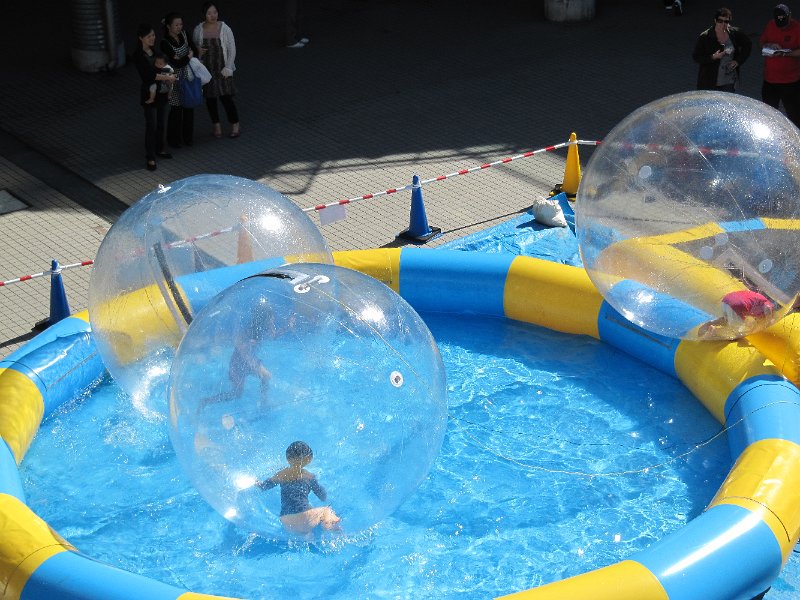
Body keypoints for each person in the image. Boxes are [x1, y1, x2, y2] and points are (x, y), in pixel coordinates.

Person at [256, 441, 342, 535]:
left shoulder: (281, 474)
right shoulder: (309, 476)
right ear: (308, 459)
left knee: (308, 526)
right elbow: (323, 496)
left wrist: (256, 483)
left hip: (285, 521)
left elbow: (264, 486)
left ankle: (306, 534)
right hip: (303, 518)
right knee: (326, 510)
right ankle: (335, 530)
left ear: (288, 459)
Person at [192, 2, 241, 138]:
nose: (212, 15)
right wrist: (198, 51)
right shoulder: (198, 29)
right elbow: (195, 46)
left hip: (222, 68)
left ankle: (235, 124)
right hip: (207, 70)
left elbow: (232, 49)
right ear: (204, 15)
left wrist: (228, 67)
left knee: (226, 98)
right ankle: (216, 126)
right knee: (210, 99)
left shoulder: (225, 29)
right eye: (209, 13)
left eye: (214, 12)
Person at [133, 24, 176, 171]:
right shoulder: (138, 55)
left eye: (153, 35)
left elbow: (162, 65)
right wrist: (167, 76)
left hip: (161, 92)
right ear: (141, 38)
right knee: (151, 125)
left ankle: (160, 149)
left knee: (160, 122)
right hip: (149, 93)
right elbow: (148, 75)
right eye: (149, 36)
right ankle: (150, 157)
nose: (153, 38)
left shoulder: (154, 51)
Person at [161, 12, 198, 148]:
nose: (179, 27)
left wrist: (186, 57)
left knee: (189, 108)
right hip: (174, 80)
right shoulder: (165, 43)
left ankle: (188, 137)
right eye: (176, 25)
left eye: (180, 24)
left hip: (187, 77)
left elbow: (194, 50)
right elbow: (177, 63)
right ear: (168, 26)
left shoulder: (184, 34)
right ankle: (173, 139)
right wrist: (188, 56)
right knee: (176, 110)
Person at [693, 8, 752, 92]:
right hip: (710, 83)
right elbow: (696, 57)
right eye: (720, 21)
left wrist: (738, 61)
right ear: (715, 20)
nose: (723, 24)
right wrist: (713, 57)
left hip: (729, 81)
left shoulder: (734, 33)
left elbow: (747, 44)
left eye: (726, 21)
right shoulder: (705, 36)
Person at [761, 4, 800, 128]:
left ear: (790, 16)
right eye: (779, 23)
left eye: (785, 23)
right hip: (770, 81)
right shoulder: (771, 25)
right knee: (769, 114)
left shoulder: (798, 28)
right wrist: (770, 45)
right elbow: (761, 43)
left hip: (790, 82)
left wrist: (786, 53)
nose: (782, 26)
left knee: (794, 115)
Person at [698, 289, 775, 338]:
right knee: (736, 332)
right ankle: (715, 331)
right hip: (736, 305)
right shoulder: (768, 306)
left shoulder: (759, 299)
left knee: (727, 320)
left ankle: (709, 324)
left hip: (727, 300)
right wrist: (768, 321)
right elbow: (768, 308)